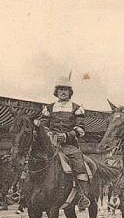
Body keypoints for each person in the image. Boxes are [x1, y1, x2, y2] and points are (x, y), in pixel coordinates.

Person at [38, 76, 90, 210]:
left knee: (78, 162)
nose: (63, 92)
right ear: (56, 91)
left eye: (65, 90)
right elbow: (43, 125)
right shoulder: (48, 108)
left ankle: (83, 196)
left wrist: (66, 136)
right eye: (60, 89)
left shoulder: (77, 108)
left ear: (70, 92)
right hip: (50, 145)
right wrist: (48, 133)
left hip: (68, 145)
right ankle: (23, 194)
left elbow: (81, 129)